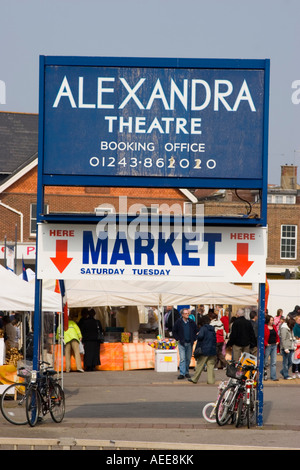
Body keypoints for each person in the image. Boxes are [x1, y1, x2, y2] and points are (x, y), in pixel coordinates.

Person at [188, 315, 217, 384]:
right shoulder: (212, 329)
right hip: (212, 349)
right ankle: (211, 380)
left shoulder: (203, 328)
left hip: (204, 349)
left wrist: (197, 335)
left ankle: (195, 378)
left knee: (200, 365)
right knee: (210, 366)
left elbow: (200, 337)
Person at [172, 308, 198, 379]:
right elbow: (174, 331)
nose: (188, 315)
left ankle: (186, 372)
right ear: (182, 314)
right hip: (182, 343)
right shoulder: (178, 322)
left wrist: (194, 338)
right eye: (186, 313)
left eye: (188, 313)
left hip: (190, 343)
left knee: (188, 358)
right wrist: (178, 338)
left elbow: (197, 330)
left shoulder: (191, 322)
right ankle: (182, 373)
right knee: (182, 358)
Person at [264, 315, 280, 381]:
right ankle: (264, 375)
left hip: (274, 345)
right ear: (268, 320)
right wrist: (266, 344)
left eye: (272, 320)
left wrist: (278, 341)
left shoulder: (274, 326)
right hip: (268, 345)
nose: (272, 321)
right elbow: (263, 337)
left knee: (273, 362)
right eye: (271, 320)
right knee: (265, 361)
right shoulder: (265, 327)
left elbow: (277, 335)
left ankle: (273, 376)